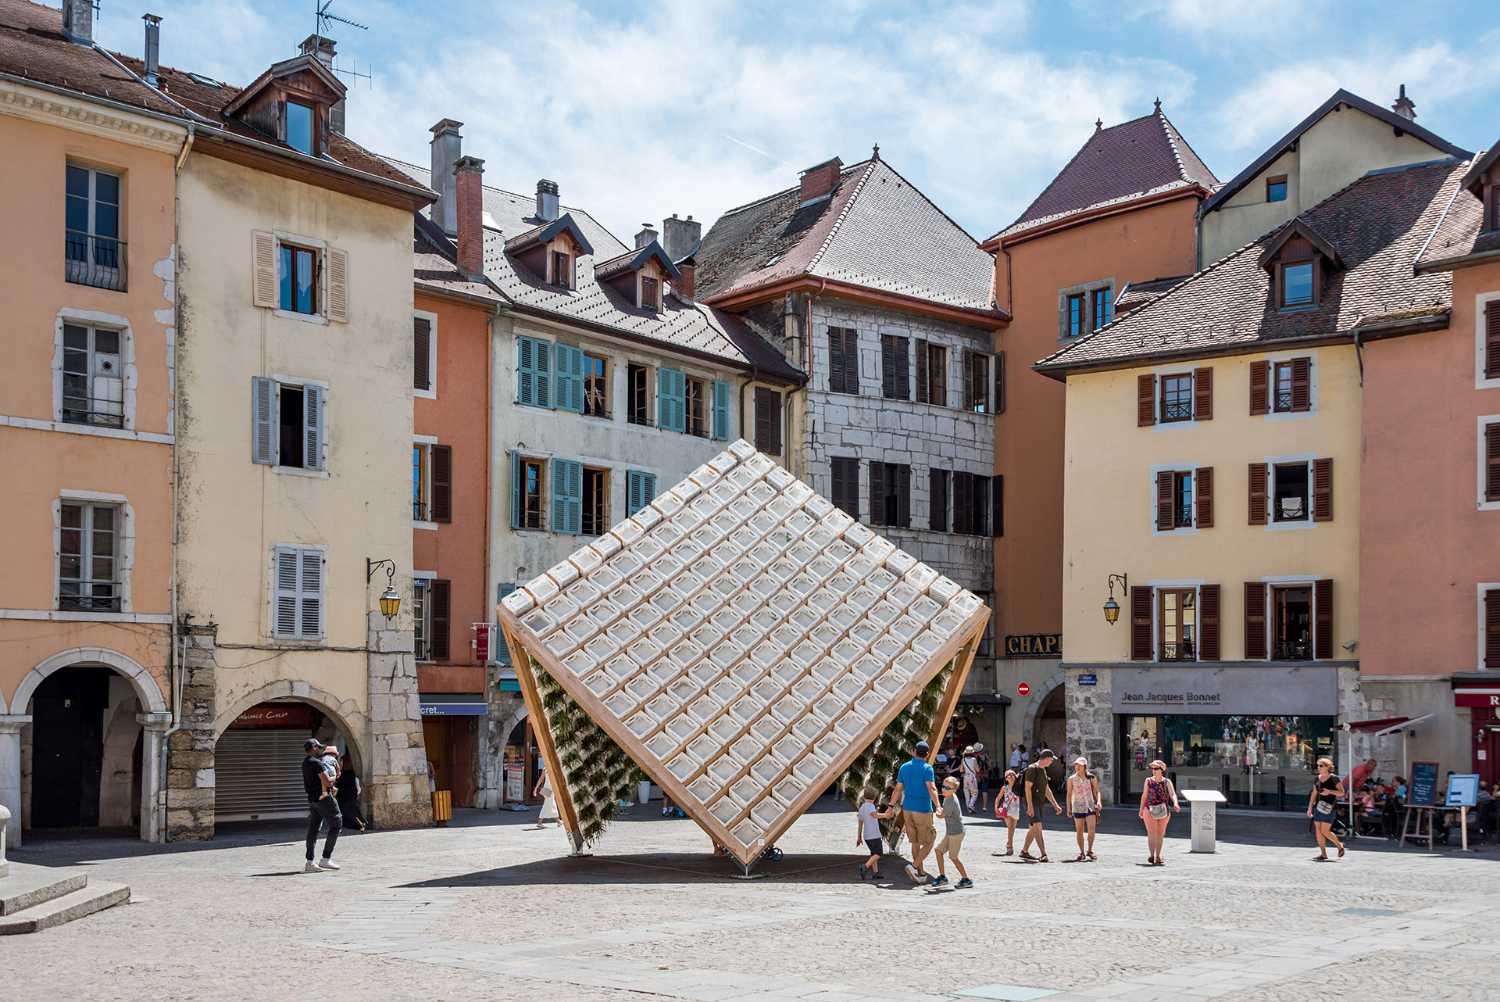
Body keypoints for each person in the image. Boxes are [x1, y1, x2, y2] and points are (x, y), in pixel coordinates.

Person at [890, 739, 942, 883]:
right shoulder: (927, 768)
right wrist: (938, 805)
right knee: (930, 841)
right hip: (922, 809)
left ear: (913, 752)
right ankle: (913, 866)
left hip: (907, 809)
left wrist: (890, 806)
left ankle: (920, 873)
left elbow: (898, 789)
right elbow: (931, 788)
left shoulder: (904, 767)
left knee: (915, 841)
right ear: (927, 754)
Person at [301, 737, 341, 872]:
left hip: (312, 800)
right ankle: (325, 859)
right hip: (323, 799)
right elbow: (328, 781)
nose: (320, 750)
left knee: (313, 829)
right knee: (337, 824)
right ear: (313, 748)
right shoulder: (316, 763)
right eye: (318, 747)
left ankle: (309, 862)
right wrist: (336, 776)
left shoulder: (305, 763)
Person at [1020, 748, 1061, 862]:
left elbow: (1047, 789)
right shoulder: (1032, 769)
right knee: (1038, 827)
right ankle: (1043, 854)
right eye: (1051, 760)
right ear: (1047, 759)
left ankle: (1024, 851)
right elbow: (1027, 788)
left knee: (1033, 828)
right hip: (1031, 802)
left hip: (1039, 802)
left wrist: (1055, 805)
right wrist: (1029, 806)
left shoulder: (1043, 770)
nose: (1052, 762)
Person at [931, 777, 972, 889]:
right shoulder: (948, 797)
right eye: (943, 786)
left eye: (947, 788)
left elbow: (941, 815)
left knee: (953, 857)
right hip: (951, 832)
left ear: (954, 790)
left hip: (956, 833)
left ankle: (966, 879)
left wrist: (937, 810)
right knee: (938, 851)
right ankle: (942, 877)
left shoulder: (950, 801)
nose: (943, 789)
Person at [1137, 760, 1179, 865]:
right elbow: (1144, 796)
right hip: (1149, 808)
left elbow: (1172, 794)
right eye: (1152, 768)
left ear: (1162, 770)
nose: (1153, 771)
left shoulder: (1167, 782)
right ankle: (1152, 855)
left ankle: (1158, 856)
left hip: (1164, 809)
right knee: (1151, 833)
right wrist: (1141, 809)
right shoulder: (1148, 781)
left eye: (1156, 768)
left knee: (1160, 833)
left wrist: (1175, 803)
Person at [1307, 756, 1346, 861]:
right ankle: (1323, 854)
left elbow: (1342, 792)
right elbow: (1314, 794)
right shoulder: (1317, 778)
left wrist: (1329, 791)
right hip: (1317, 807)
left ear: (1328, 767)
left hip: (1329, 808)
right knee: (1318, 831)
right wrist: (1310, 807)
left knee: (1325, 831)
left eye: (1321, 765)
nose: (1318, 767)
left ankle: (1339, 845)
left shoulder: (1334, 778)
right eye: (1318, 765)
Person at [1066, 757, 1101, 862]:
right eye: (1076, 765)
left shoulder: (1091, 777)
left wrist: (1098, 801)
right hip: (1077, 806)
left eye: (1080, 765)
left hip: (1090, 805)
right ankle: (1081, 852)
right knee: (1079, 830)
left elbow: (1097, 791)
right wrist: (1069, 808)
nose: (1077, 767)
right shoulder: (1071, 779)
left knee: (1091, 829)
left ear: (1085, 766)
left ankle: (1089, 850)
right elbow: (1069, 794)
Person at [855, 787, 894, 881]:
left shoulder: (862, 808)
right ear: (875, 797)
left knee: (873, 854)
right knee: (879, 853)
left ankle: (876, 873)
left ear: (864, 796)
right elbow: (874, 815)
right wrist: (885, 815)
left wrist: (859, 837)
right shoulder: (870, 806)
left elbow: (860, 823)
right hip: (874, 835)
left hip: (867, 836)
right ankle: (865, 866)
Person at [992, 769, 1022, 856]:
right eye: (1009, 775)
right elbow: (998, 798)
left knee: (1012, 829)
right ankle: (1010, 847)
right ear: (1006, 778)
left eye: (1012, 775)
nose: (1011, 776)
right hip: (1007, 809)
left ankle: (1009, 843)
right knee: (1010, 828)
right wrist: (996, 807)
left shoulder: (1019, 787)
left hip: (1016, 810)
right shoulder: (1005, 788)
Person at [334, 752, 365, 833]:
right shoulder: (349, 772)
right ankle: (361, 823)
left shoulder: (347, 773)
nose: (340, 763)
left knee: (350, 811)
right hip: (348, 795)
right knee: (352, 810)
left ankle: (360, 824)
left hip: (347, 795)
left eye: (342, 762)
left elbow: (341, 783)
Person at [961, 745, 981, 813]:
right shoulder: (973, 759)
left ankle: (969, 810)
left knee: (966, 793)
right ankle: (971, 805)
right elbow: (977, 770)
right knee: (975, 793)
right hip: (972, 777)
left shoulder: (963, 759)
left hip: (965, 776)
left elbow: (961, 770)